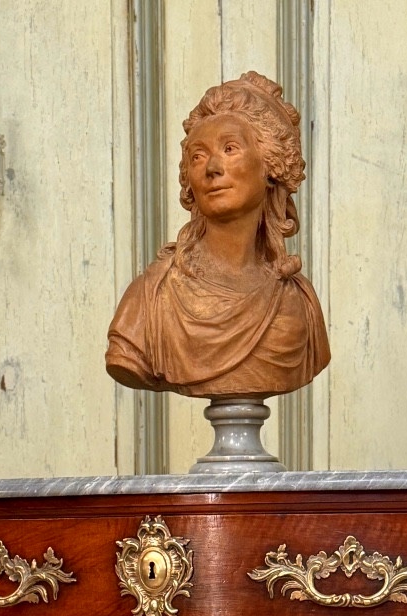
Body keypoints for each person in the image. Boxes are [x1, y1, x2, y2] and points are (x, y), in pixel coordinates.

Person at [106, 72, 330, 400]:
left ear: (271, 166)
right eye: (197, 156)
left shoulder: (299, 304)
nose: (212, 167)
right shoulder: (151, 300)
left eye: (229, 148)